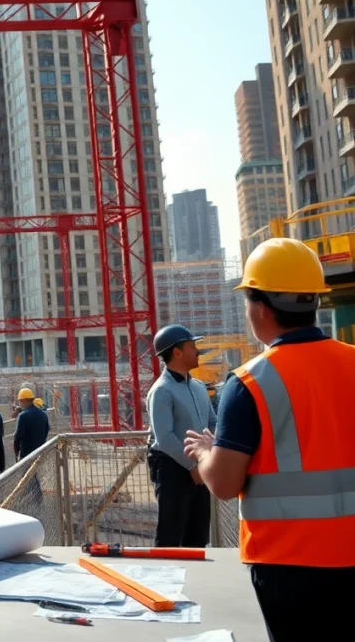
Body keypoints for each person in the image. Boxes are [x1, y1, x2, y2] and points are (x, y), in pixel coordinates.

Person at [183, 239, 355, 642]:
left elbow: (224, 484)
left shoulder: (249, 382)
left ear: (260, 308)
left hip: (289, 564)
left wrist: (206, 453)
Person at [146, 324, 217, 548]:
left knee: (198, 535)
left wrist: (211, 456)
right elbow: (165, 438)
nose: (197, 351)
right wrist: (192, 466)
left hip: (199, 466)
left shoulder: (198, 387)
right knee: (171, 535)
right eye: (192, 346)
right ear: (177, 353)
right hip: (172, 468)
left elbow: (213, 423)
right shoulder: (162, 391)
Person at [13, 388, 50, 462]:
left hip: (26, 456)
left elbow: (18, 437)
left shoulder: (23, 416)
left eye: (20, 401)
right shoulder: (43, 415)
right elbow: (46, 431)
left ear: (24, 401)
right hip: (40, 454)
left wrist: (16, 453)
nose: (20, 404)